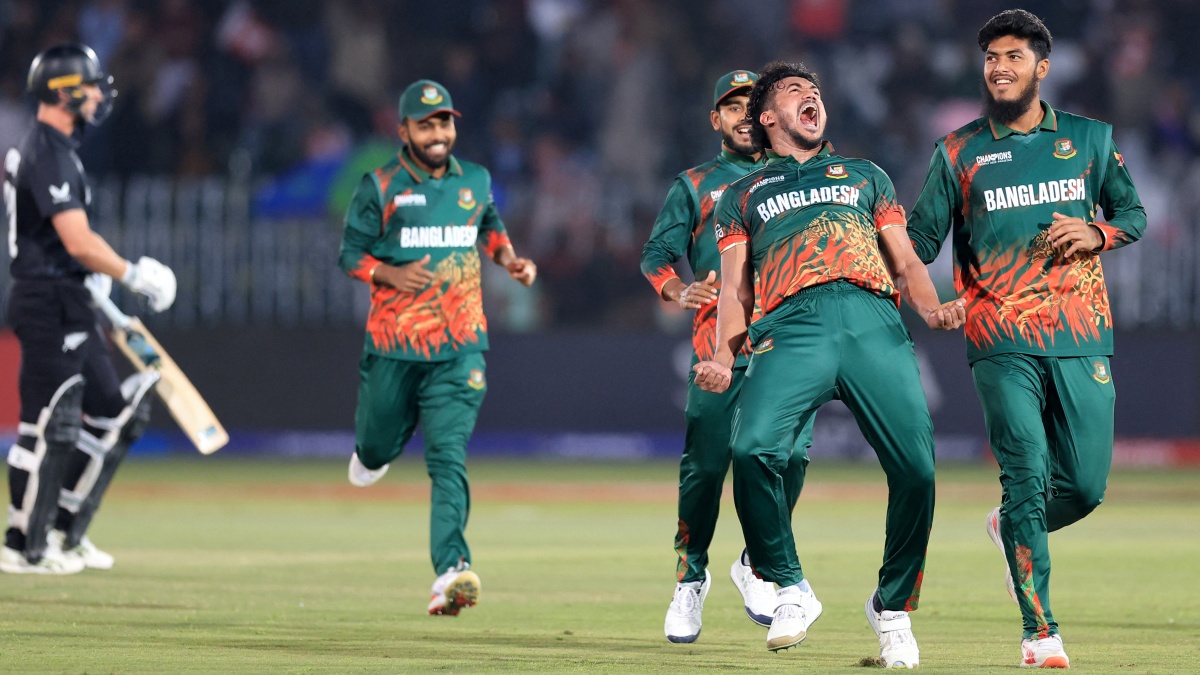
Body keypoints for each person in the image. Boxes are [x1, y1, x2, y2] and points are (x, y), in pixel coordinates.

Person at [693, 61, 965, 664]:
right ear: (767, 117)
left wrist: (933, 308)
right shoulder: (742, 196)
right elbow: (737, 291)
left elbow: (907, 262)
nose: (811, 96)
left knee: (918, 469)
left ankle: (892, 608)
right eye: (795, 92)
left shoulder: (866, 174)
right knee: (751, 450)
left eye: (815, 90)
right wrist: (721, 355)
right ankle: (790, 588)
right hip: (792, 325)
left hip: (872, 321)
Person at [907, 9, 1146, 669]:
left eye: (1013, 56)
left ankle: (1009, 527)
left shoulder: (1091, 140)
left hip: (1081, 334)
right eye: (990, 57)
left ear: (1042, 67)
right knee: (1026, 475)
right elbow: (919, 242)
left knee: (1086, 487)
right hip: (999, 335)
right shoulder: (957, 151)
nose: (999, 68)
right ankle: (1041, 634)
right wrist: (880, 243)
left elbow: (1132, 212)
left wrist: (1098, 233)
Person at [338, 79, 537, 616]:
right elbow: (349, 255)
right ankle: (375, 451)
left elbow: (489, 226)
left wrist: (510, 259)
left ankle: (450, 571)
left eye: (444, 122)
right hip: (393, 346)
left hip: (460, 346)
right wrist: (386, 272)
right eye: (425, 124)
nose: (437, 133)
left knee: (448, 458)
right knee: (377, 447)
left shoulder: (475, 179)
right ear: (403, 130)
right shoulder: (379, 186)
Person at [640, 70, 815, 644]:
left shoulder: (799, 174)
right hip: (719, 350)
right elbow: (658, 254)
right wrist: (674, 290)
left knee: (789, 462)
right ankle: (690, 579)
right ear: (715, 119)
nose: (743, 115)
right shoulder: (694, 185)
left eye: (752, 104)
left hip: (790, 345)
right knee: (707, 470)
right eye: (731, 106)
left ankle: (756, 563)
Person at [2, 43, 176, 575]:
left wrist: (96, 278)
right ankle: (19, 543)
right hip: (45, 300)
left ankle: (63, 532)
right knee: (47, 424)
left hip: (70, 295)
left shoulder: (62, 148)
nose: (101, 94)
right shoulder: (48, 150)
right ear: (65, 90)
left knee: (113, 412)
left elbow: (67, 245)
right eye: (93, 84)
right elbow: (76, 240)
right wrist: (133, 273)